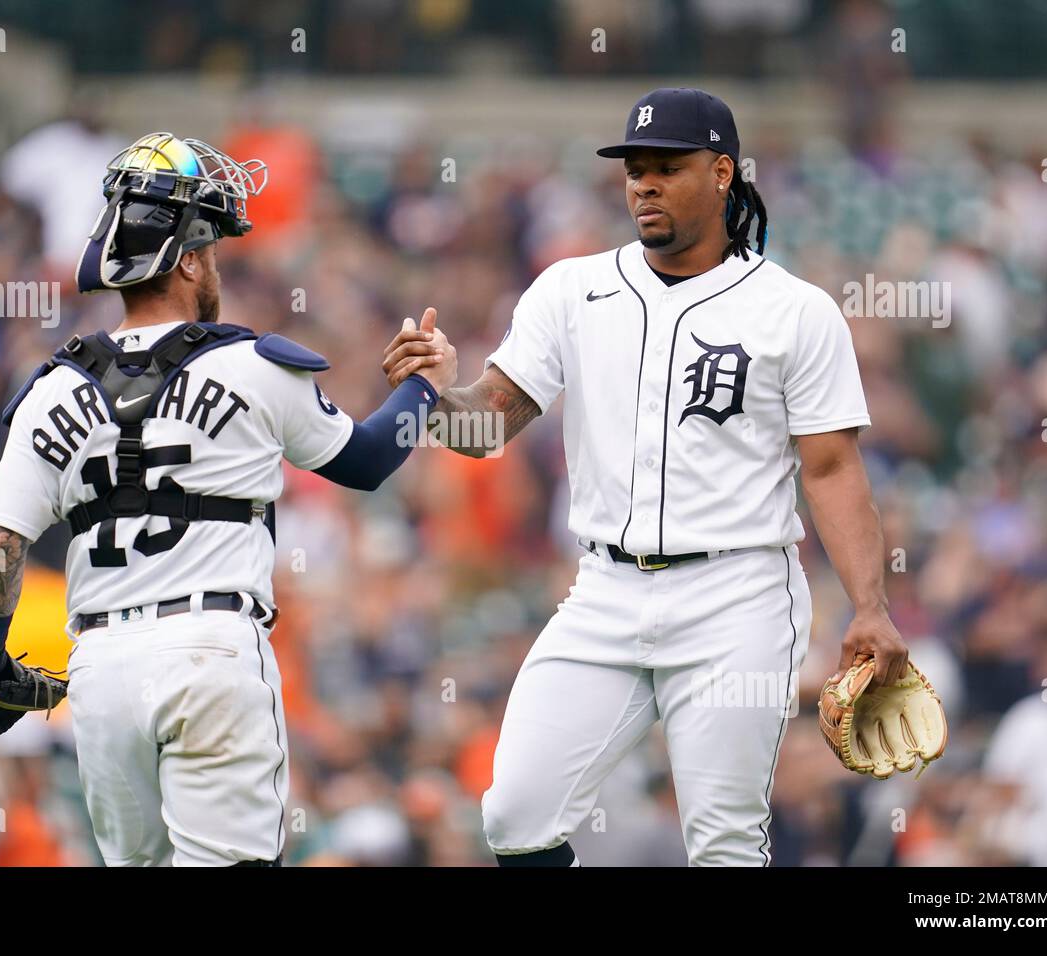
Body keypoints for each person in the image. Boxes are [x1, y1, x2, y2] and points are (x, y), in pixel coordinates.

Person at [384, 89, 908, 866]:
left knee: (724, 843)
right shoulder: (572, 289)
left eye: (668, 167)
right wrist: (429, 394)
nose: (645, 185)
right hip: (604, 591)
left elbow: (832, 469)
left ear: (723, 171)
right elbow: (487, 424)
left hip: (738, 596)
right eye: (636, 170)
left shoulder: (794, 310)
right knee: (514, 814)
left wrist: (870, 606)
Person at [0, 133, 455, 865]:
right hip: (211, 655)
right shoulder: (253, 366)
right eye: (212, 246)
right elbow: (371, 461)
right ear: (188, 257)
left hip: (100, 666)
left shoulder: (52, 389)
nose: (216, 262)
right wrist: (425, 384)